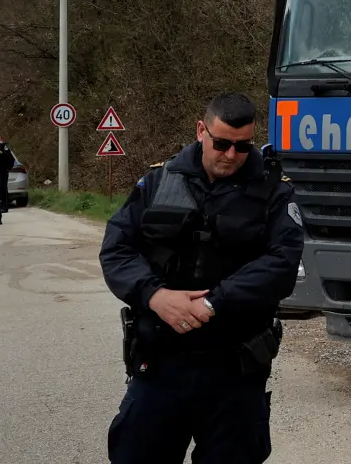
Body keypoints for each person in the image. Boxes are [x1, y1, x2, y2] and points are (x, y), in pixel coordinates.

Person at [100, 92, 303, 464]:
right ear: (200, 130)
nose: (230, 155)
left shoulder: (273, 190)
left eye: (242, 147)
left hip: (234, 370)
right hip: (161, 364)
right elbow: (116, 250)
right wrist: (156, 296)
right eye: (221, 143)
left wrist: (213, 303)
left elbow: (282, 263)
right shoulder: (159, 181)